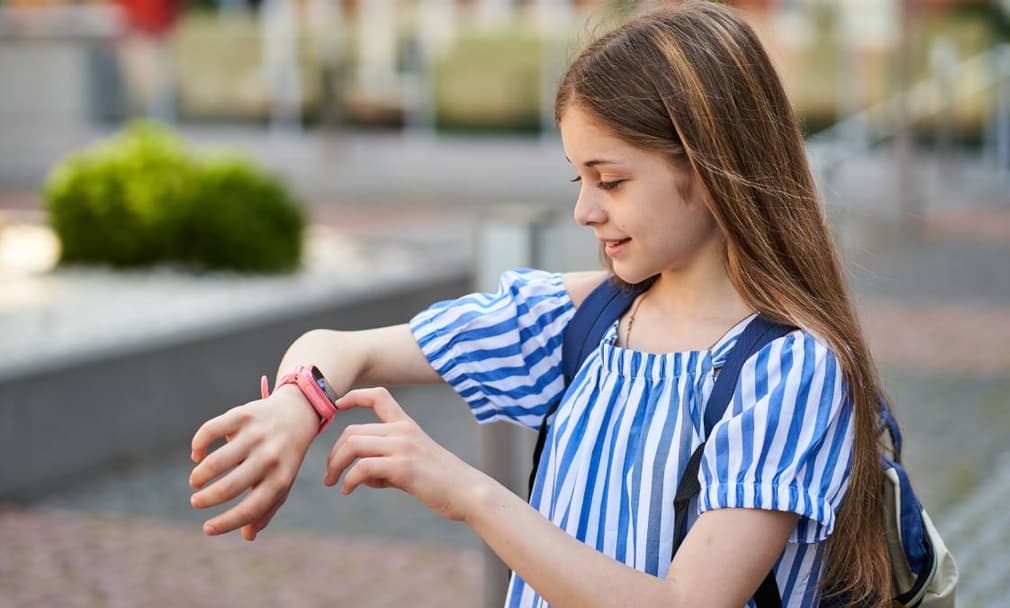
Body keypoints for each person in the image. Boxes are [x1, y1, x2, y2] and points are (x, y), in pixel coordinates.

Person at [189, 2, 893, 606]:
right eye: (578, 177)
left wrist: (469, 493)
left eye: (610, 179)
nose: (585, 209)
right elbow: (347, 347)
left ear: (709, 167)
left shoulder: (791, 370)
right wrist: (296, 406)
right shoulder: (581, 321)